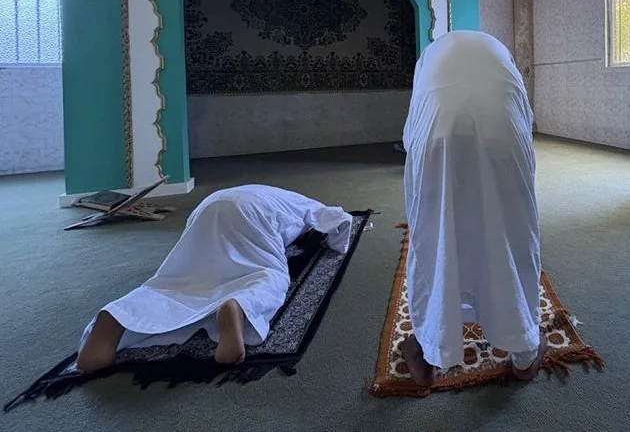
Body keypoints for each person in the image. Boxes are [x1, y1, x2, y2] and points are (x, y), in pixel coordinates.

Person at [75, 185, 353, 372]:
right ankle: (238, 304)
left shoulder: (272, 193)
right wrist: (333, 244)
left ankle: (120, 315)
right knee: (268, 276)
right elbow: (340, 220)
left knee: (179, 280)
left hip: (205, 211)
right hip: (252, 218)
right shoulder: (304, 206)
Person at [400, 30, 546, 386]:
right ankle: (524, 352)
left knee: (433, 231)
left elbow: (411, 132)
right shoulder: (501, 54)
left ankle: (426, 346)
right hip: (503, 134)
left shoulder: (429, 57)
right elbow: (525, 120)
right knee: (513, 233)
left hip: (436, 134)